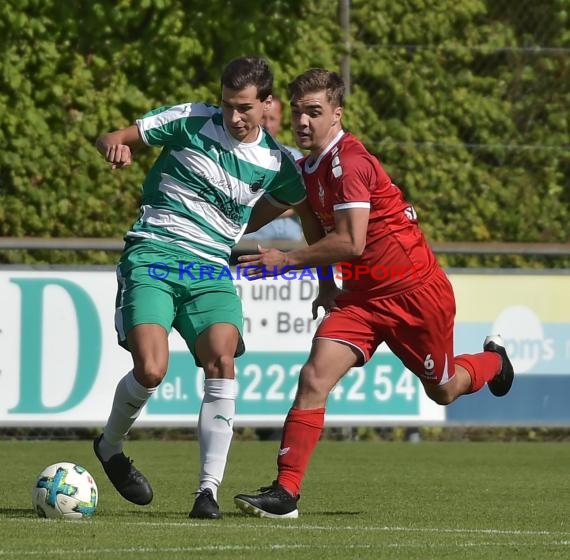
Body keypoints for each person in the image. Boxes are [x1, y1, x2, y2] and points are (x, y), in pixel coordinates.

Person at [233, 68, 515, 518]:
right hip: (362, 299)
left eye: (315, 112)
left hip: (415, 294)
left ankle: (495, 363)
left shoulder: (352, 164)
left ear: (337, 114)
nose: (303, 122)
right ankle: (285, 493)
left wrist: (285, 261)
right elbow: (303, 218)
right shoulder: (307, 168)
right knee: (313, 377)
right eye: (299, 112)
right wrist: (324, 282)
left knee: (442, 391)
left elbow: (351, 242)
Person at [92, 56, 322, 520]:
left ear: (266, 104)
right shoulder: (192, 119)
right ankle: (110, 444)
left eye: (243, 108)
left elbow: (308, 215)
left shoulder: (277, 164)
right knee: (152, 370)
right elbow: (112, 136)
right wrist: (116, 148)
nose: (233, 117)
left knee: (222, 359)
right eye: (227, 105)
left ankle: (207, 492)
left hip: (210, 270)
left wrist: (327, 278)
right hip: (154, 253)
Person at [243, 95, 304, 241]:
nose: (267, 125)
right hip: (248, 244)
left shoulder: (293, 157)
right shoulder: (241, 157)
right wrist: (286, 205)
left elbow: (303, 203)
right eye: (263, 118)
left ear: (281, 120)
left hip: (288, 244)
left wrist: (261, 210)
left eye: (272, 119)